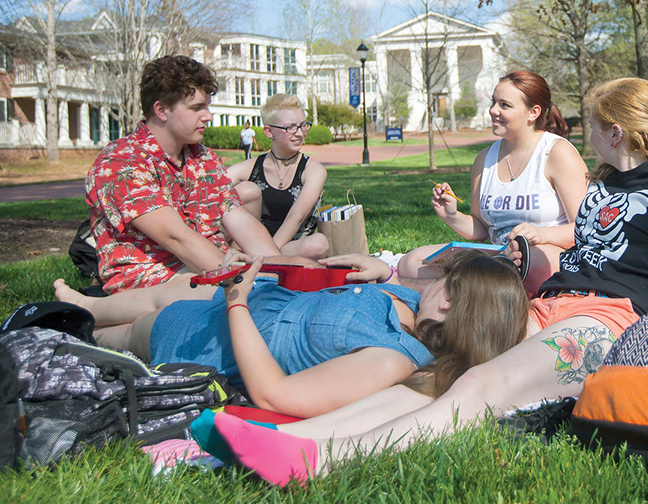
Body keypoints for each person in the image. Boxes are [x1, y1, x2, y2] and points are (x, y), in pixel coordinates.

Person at [205, 77, 648, 487]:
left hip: (605, 322)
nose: (584, 135)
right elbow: (580, 247)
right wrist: (529, 249)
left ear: (615, 130)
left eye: (590, 125)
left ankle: (322, 462)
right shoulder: (607, 183)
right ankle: (287, 440)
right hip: (547, 304)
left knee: (478, 388)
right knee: (437, 373)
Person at [54, 250, 531, 419]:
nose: (430, 282)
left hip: (220, 336)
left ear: (448, 303)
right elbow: (397, 288)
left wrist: (237, 301)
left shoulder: (391, 359)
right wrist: (383, 272)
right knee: (173, 291)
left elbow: (274, 394)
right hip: (254, 301)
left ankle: (73, 329)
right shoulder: (409, 305)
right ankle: (86, 307)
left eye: (441, 281)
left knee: (144, 325)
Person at [85, 55, 287, 294]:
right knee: (249, 301)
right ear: (161, 110)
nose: (209, 116)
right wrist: (243, 282)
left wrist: (282, 273)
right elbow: (176, 238)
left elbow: (240, 220)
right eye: (196, 108)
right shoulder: (121, 162)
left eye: (207, 106)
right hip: (150, 282)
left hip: (205, 269)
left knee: (285, 283)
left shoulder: (203, 158)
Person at [397, 70, 589, 294]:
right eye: (493, 102)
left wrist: (543, 234)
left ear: (533, 112)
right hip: (498, 255)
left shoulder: (556, 152)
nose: (493, 111)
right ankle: (471, 296)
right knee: (411, 264)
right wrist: (452, 215)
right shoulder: (484, 159)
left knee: (523, 262)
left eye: (504, 105)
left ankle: (460, 296)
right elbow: (481, 229)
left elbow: (586, 228)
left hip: (544, 255)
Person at [227, 95, 329, 259]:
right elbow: (212, 188)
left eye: (303, 125)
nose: (300, 133)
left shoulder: (314, 170)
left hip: (290, 248)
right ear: (269, 131)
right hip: (252, 245)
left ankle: (258, 263)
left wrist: (267, 255)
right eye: (290, 127)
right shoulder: (251, 167)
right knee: (245, 190)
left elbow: (296, 217)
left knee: (319, 243)